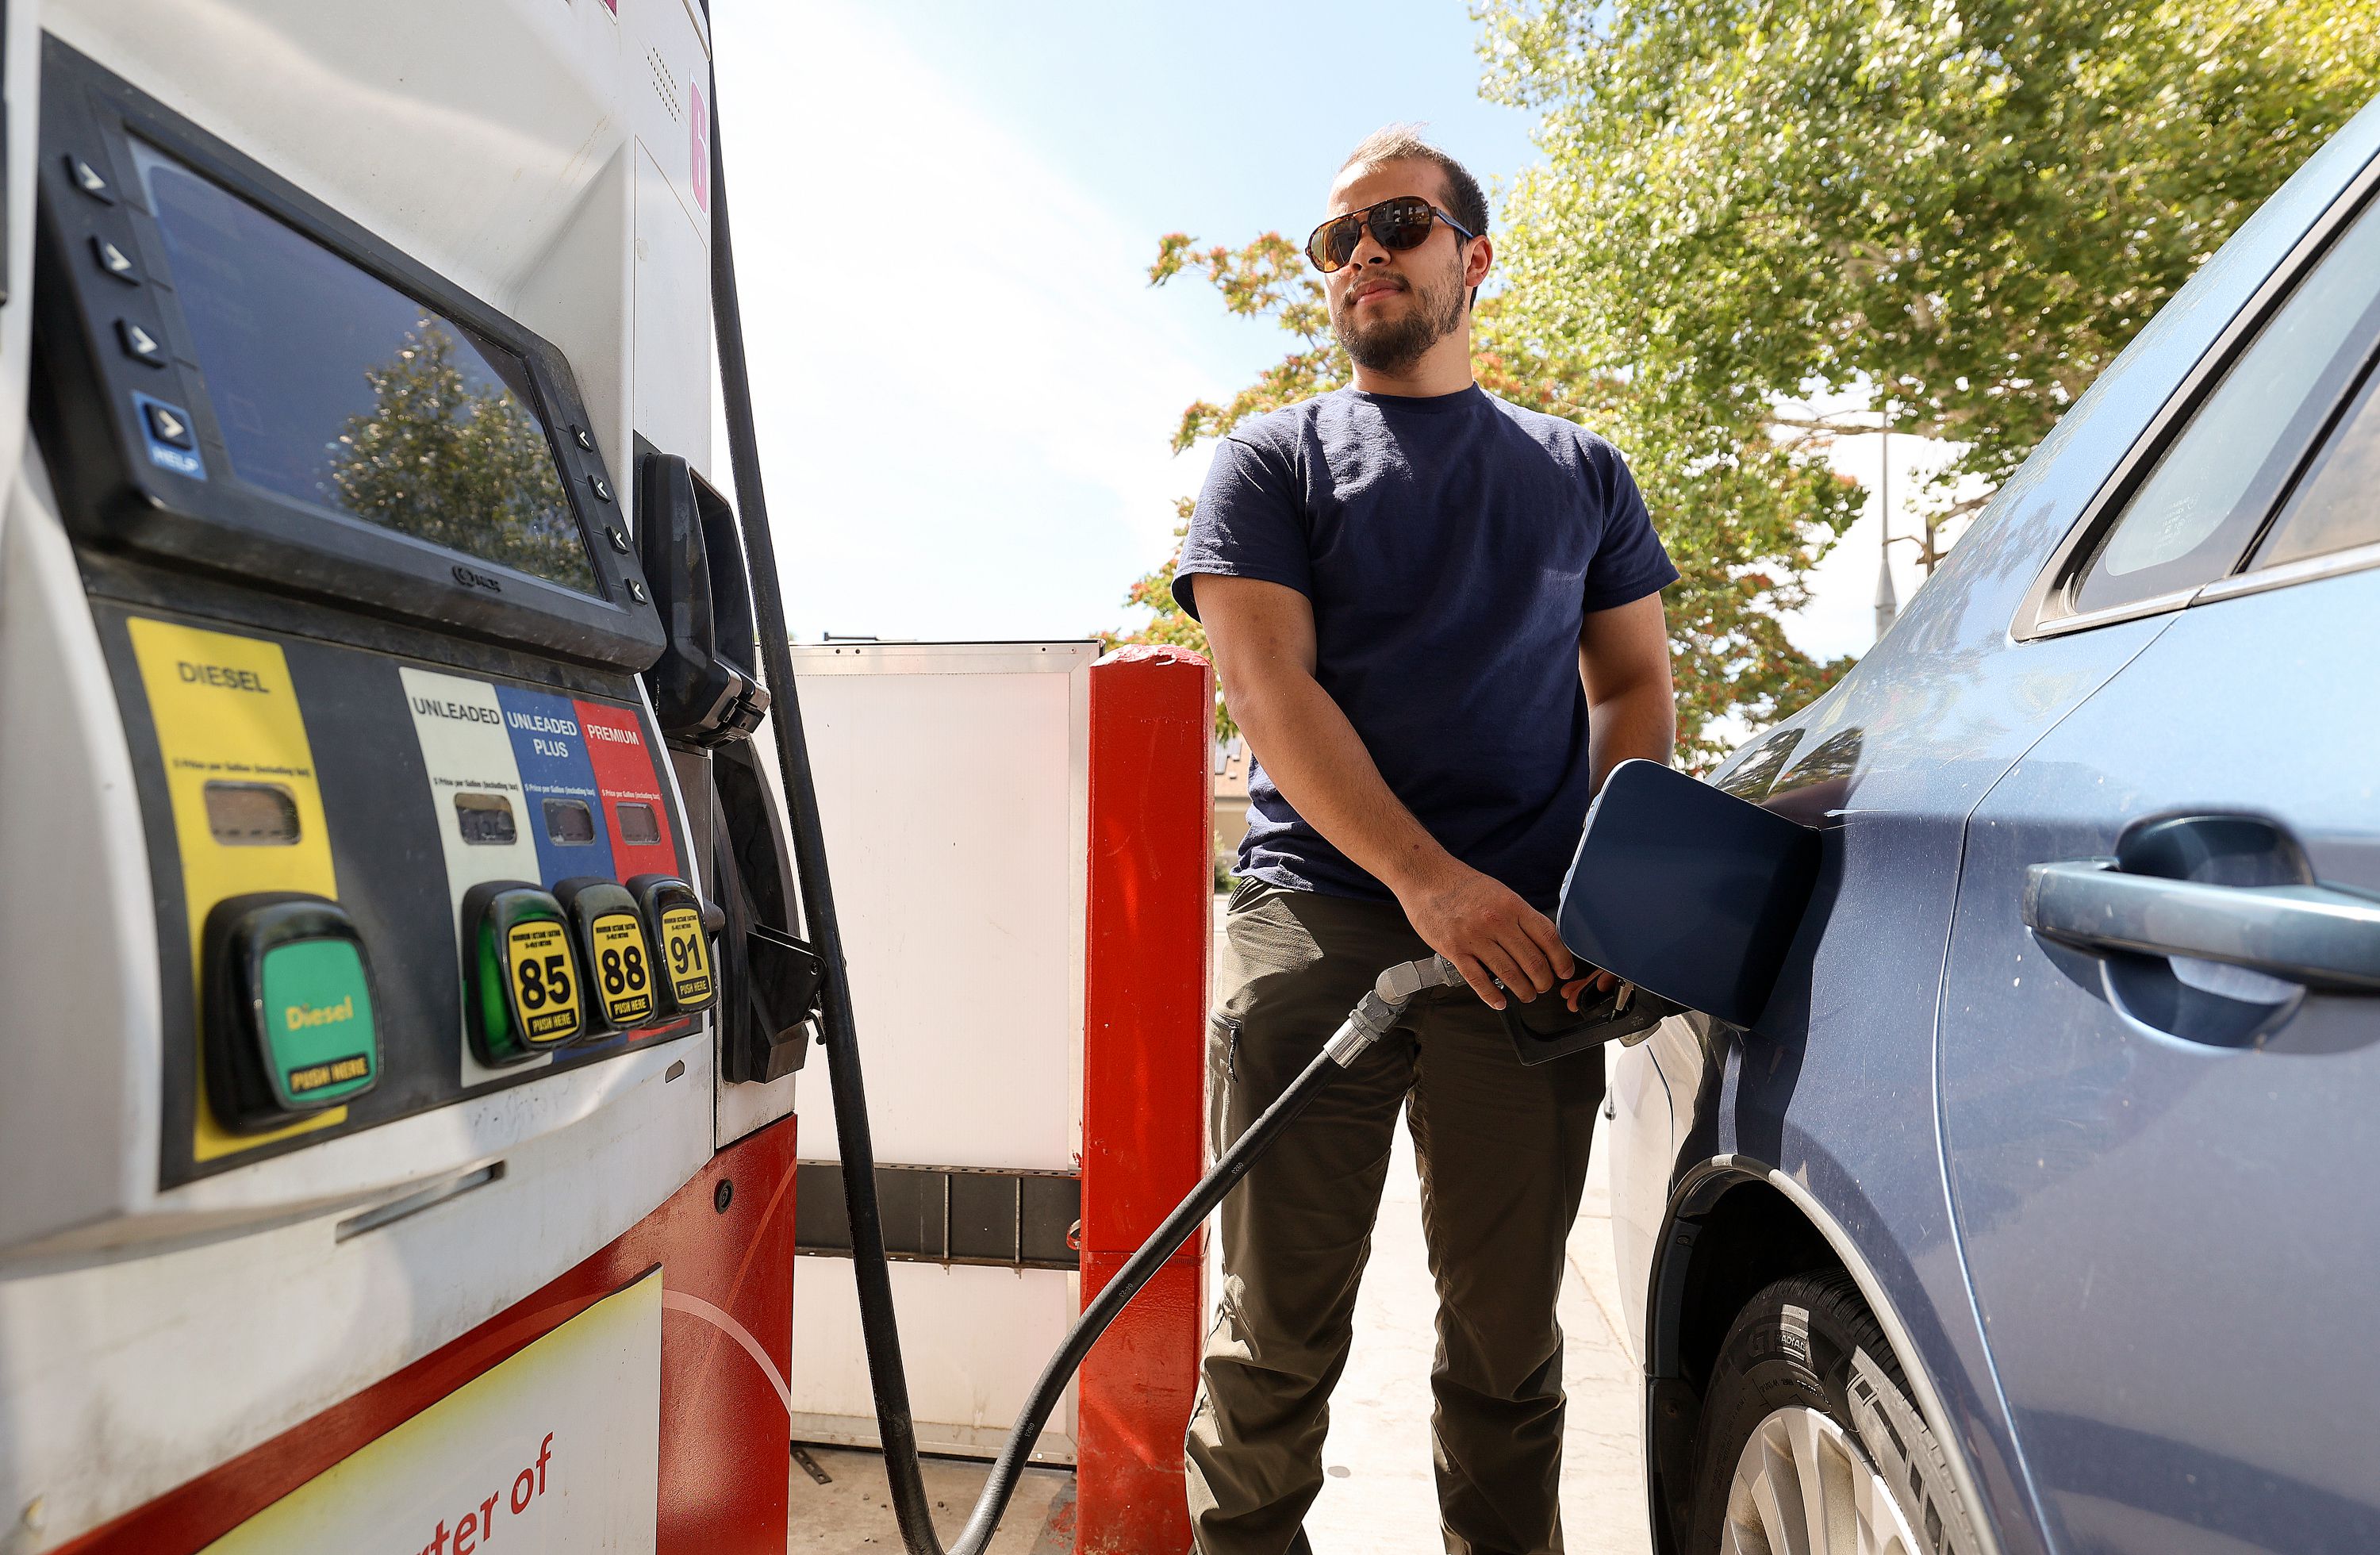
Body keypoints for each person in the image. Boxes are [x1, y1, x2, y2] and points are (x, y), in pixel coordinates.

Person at [1173, 125, 1679, 1555]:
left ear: (1474, 257)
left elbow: (1632, 686)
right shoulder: (1269, 460)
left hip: (1534, 949)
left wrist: (1613, 892)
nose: (1364, 256)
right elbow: (1267, 689)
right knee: (1271, 1346)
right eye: (1338, 240)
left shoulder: (1582, 471)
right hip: (1318, 923)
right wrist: (1429, 885)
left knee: (1510, 1355)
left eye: (1398, 224)